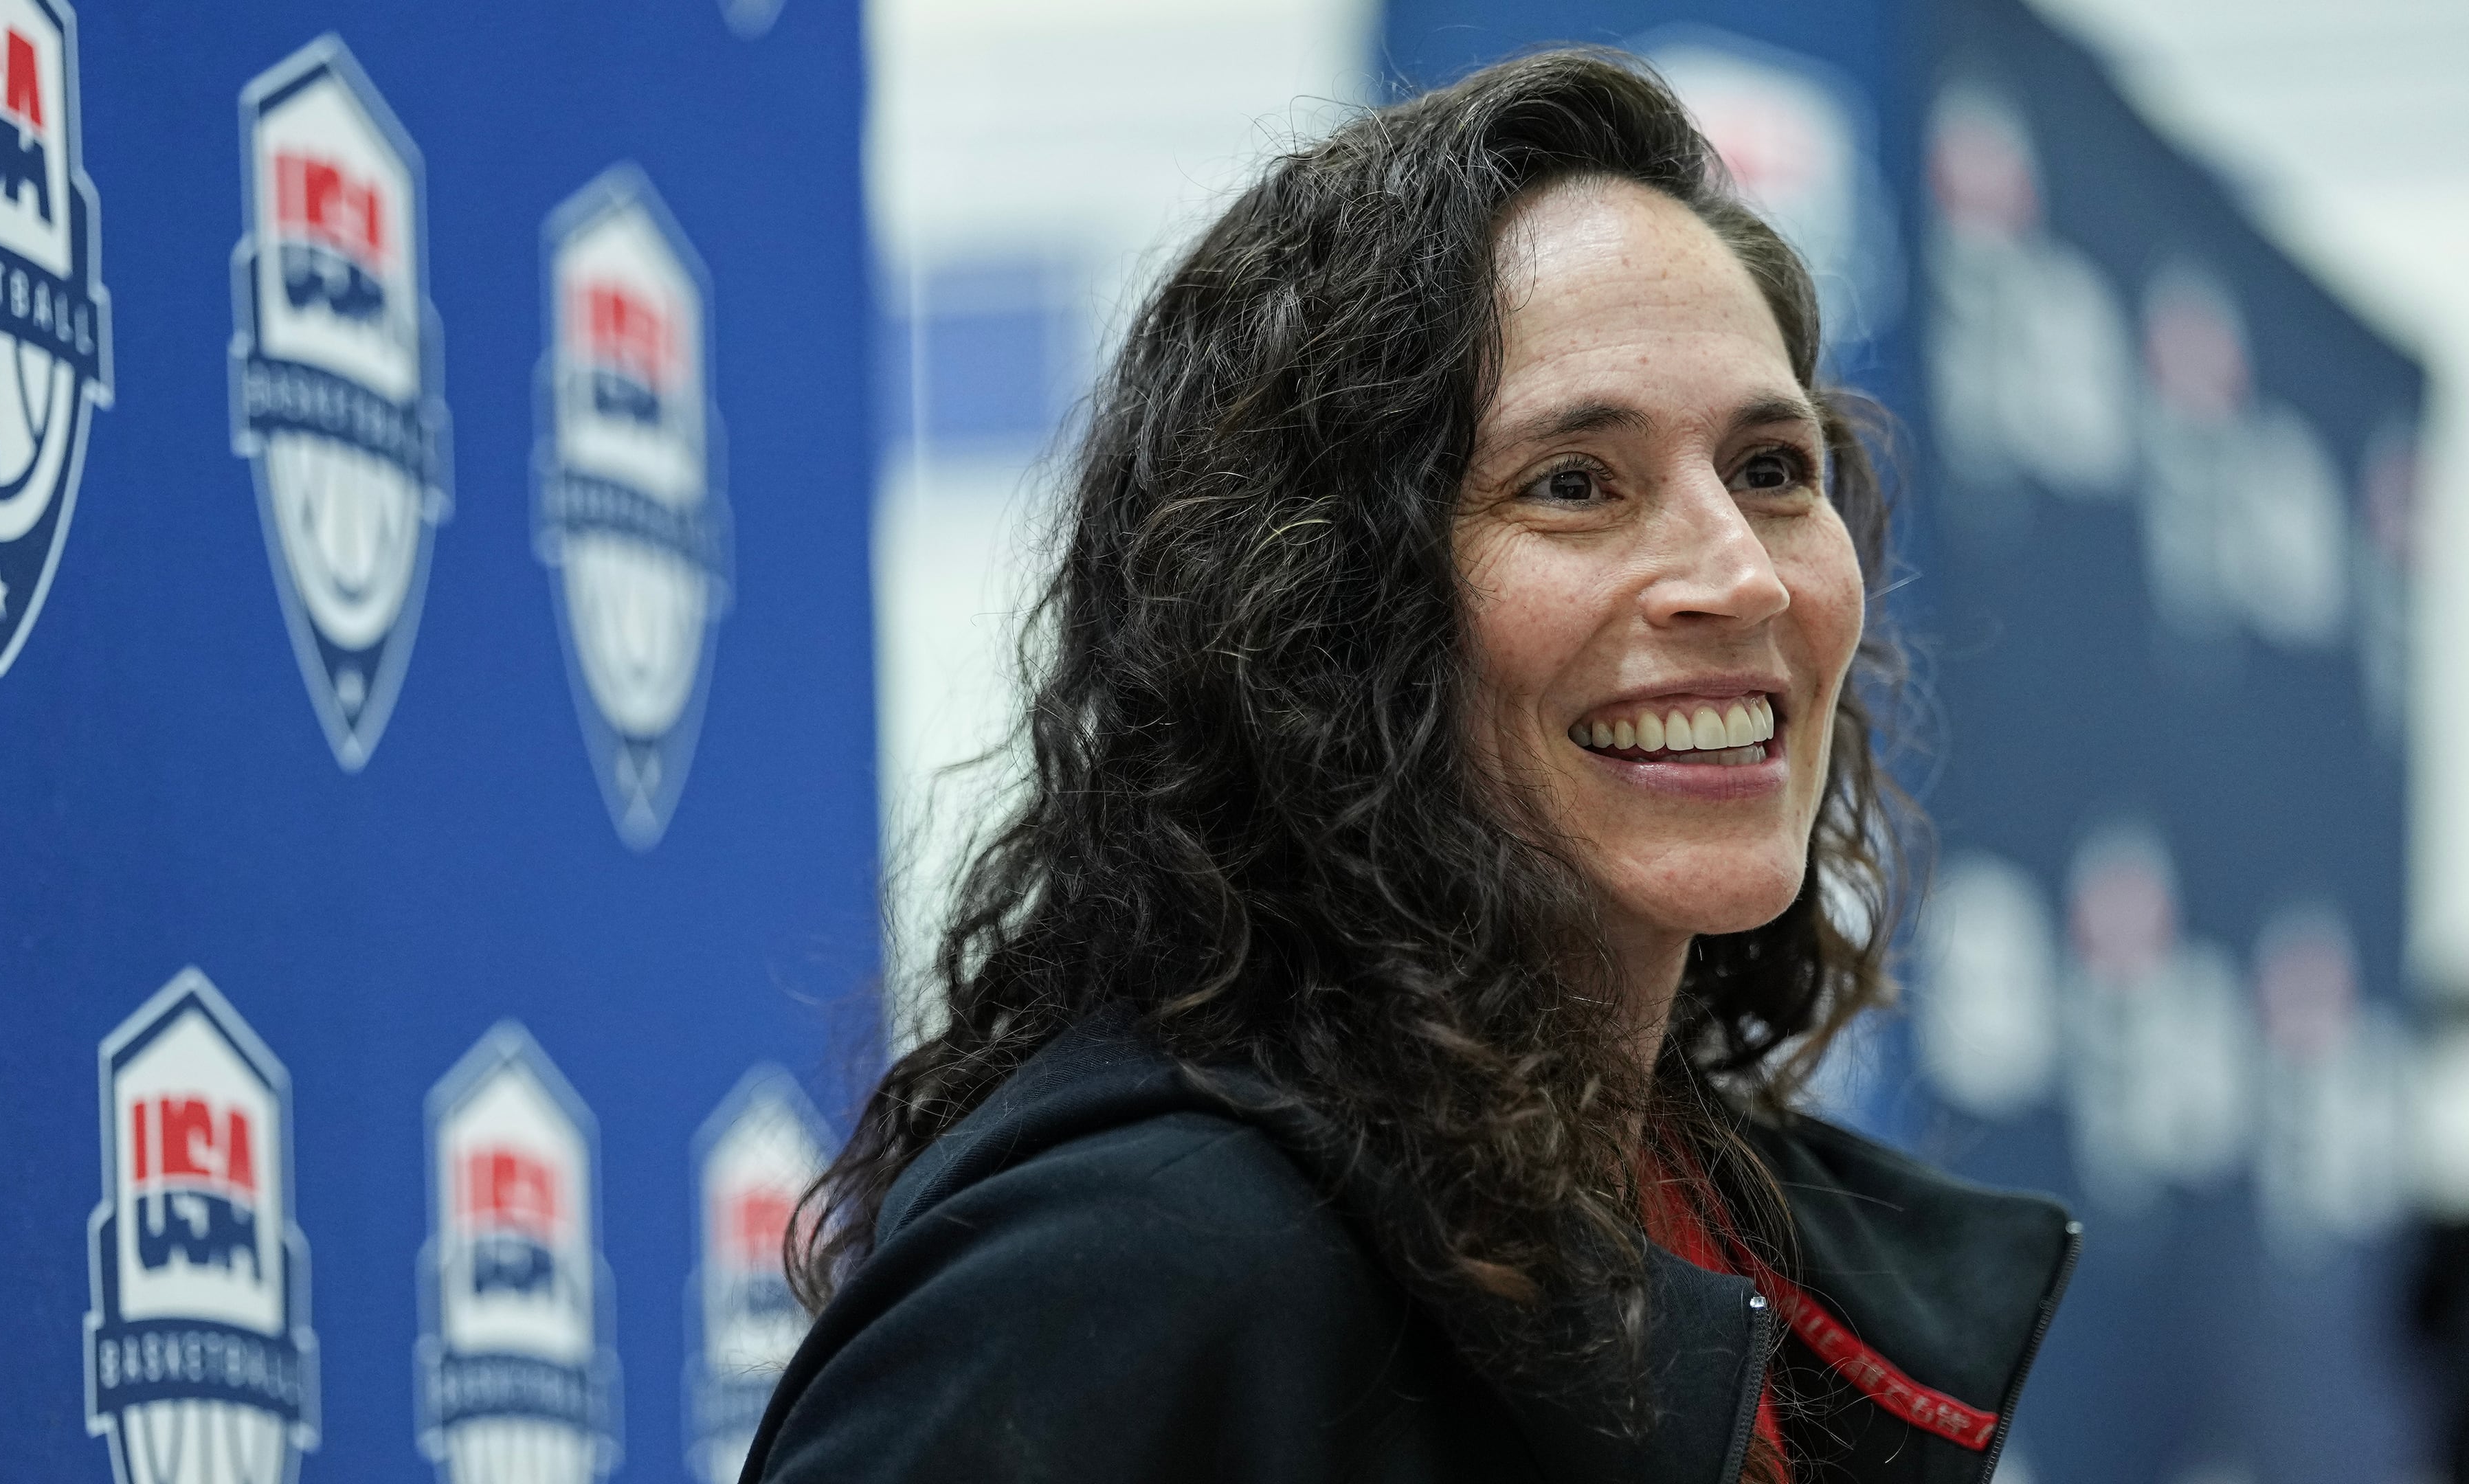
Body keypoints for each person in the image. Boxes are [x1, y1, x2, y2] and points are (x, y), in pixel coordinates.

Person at [748, 48, 2078, 1484]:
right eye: (1575, 484)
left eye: (1772, 469)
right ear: (1312, 611)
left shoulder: (1718, 1252)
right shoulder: (1136, 1267)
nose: (1742, 578)